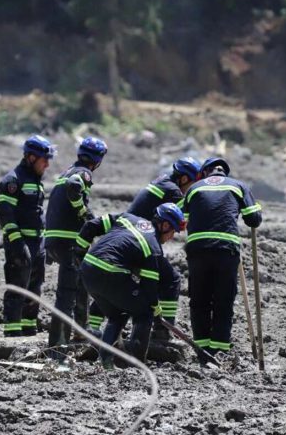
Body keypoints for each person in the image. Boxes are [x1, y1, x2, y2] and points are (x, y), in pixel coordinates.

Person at [74, 204, 185, 368]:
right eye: (173, 231)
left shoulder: (128, 218)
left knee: (117, 315)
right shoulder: (153, 247)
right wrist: (156, 311)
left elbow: (91, 225)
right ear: (165, 225)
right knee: (144, 312)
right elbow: (149, 287)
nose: (171, 236)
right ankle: (137, 364)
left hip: (88, 269)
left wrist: (79, 252)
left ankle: (106, 361)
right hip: (111, 272)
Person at [182, 157, 262, 359]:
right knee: (223, 300)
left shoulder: (194, 188)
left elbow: (180, 217)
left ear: (206, 172)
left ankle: (202, 349)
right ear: (224, 172)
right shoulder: (238, 186)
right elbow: (254, 219)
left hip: (198, 250)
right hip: (226, 250)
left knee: (199, 299)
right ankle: (220, 350)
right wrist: (254, 207)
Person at [42, 137, 107, 347]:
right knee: (66, 294)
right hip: (68, 241)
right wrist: (85, 214)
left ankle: (81, 331)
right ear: (97, 160)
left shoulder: (67, 170)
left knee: (80, 283)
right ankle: (57, 345)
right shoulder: (82, 173)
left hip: (54, 239)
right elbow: (74, 187)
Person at [127, 157, 202, 338]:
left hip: (130, 237)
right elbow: (183, 221)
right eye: (192, 183)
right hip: (141, 243)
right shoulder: (174, 192)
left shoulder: (163, 180)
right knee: (171, 280)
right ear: (184, 179)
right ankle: (162, 332)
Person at [0, 135, 54, 337]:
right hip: (20, 243)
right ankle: (12, 333)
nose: (47, 164)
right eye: (44, 159)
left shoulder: (36, 181)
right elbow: (5, 214)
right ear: (31, 157)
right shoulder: (12, 180)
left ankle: (29, 328)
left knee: (35, 287)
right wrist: (17, 244)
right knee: (17, 287)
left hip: (37, 242)